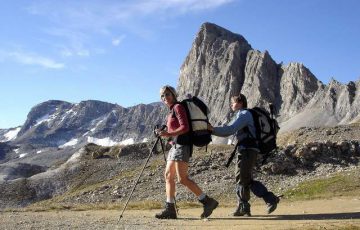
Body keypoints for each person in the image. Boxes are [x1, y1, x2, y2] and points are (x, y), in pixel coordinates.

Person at [208, 94, 279, 216]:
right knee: (241, 177)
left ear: (240, 103)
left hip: (247, 149)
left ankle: (270, 198)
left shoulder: (244, 114)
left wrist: (212, 129)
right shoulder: (244, 114)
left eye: (233, 102)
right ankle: (243, 206)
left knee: (244, 178)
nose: (231, 105)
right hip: (246, 149)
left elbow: (230, 130)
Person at [155, 85, 218, 219]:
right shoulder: (171, 111)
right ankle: (170, 209)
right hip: (175, 146)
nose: (165, 97)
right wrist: (166, 134)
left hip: (183, 145)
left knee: (182, 179)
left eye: (167, 94)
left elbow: (185, 127)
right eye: (162, 96)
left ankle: (207, 201)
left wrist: (168, 133)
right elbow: (175, 130)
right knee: (168, 176)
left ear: (173, 94)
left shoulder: (178, 107)